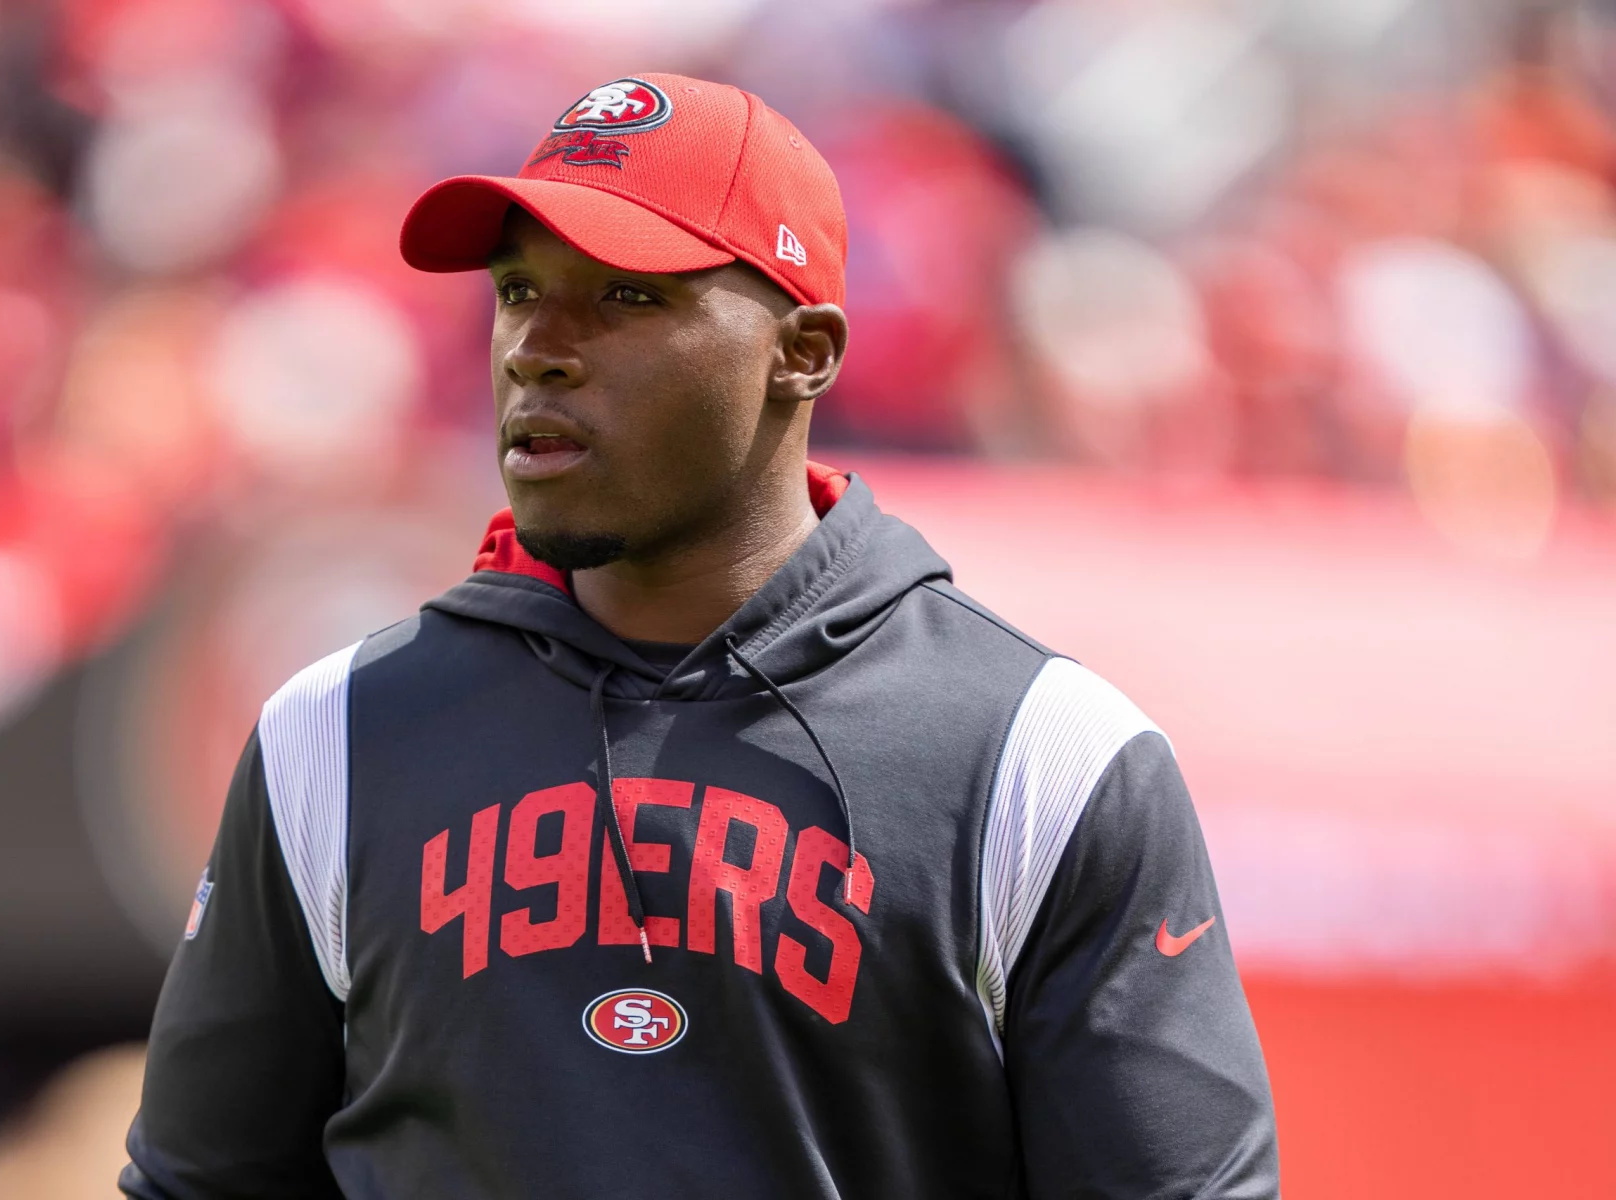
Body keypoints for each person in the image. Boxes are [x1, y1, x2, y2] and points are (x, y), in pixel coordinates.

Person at [120, 74, 1278, 1199]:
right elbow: (200, 1181)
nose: (538, 346)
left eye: (628, 296)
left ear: (805, 352)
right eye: (519, 290)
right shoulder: (337, 735)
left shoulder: (1042, 758)